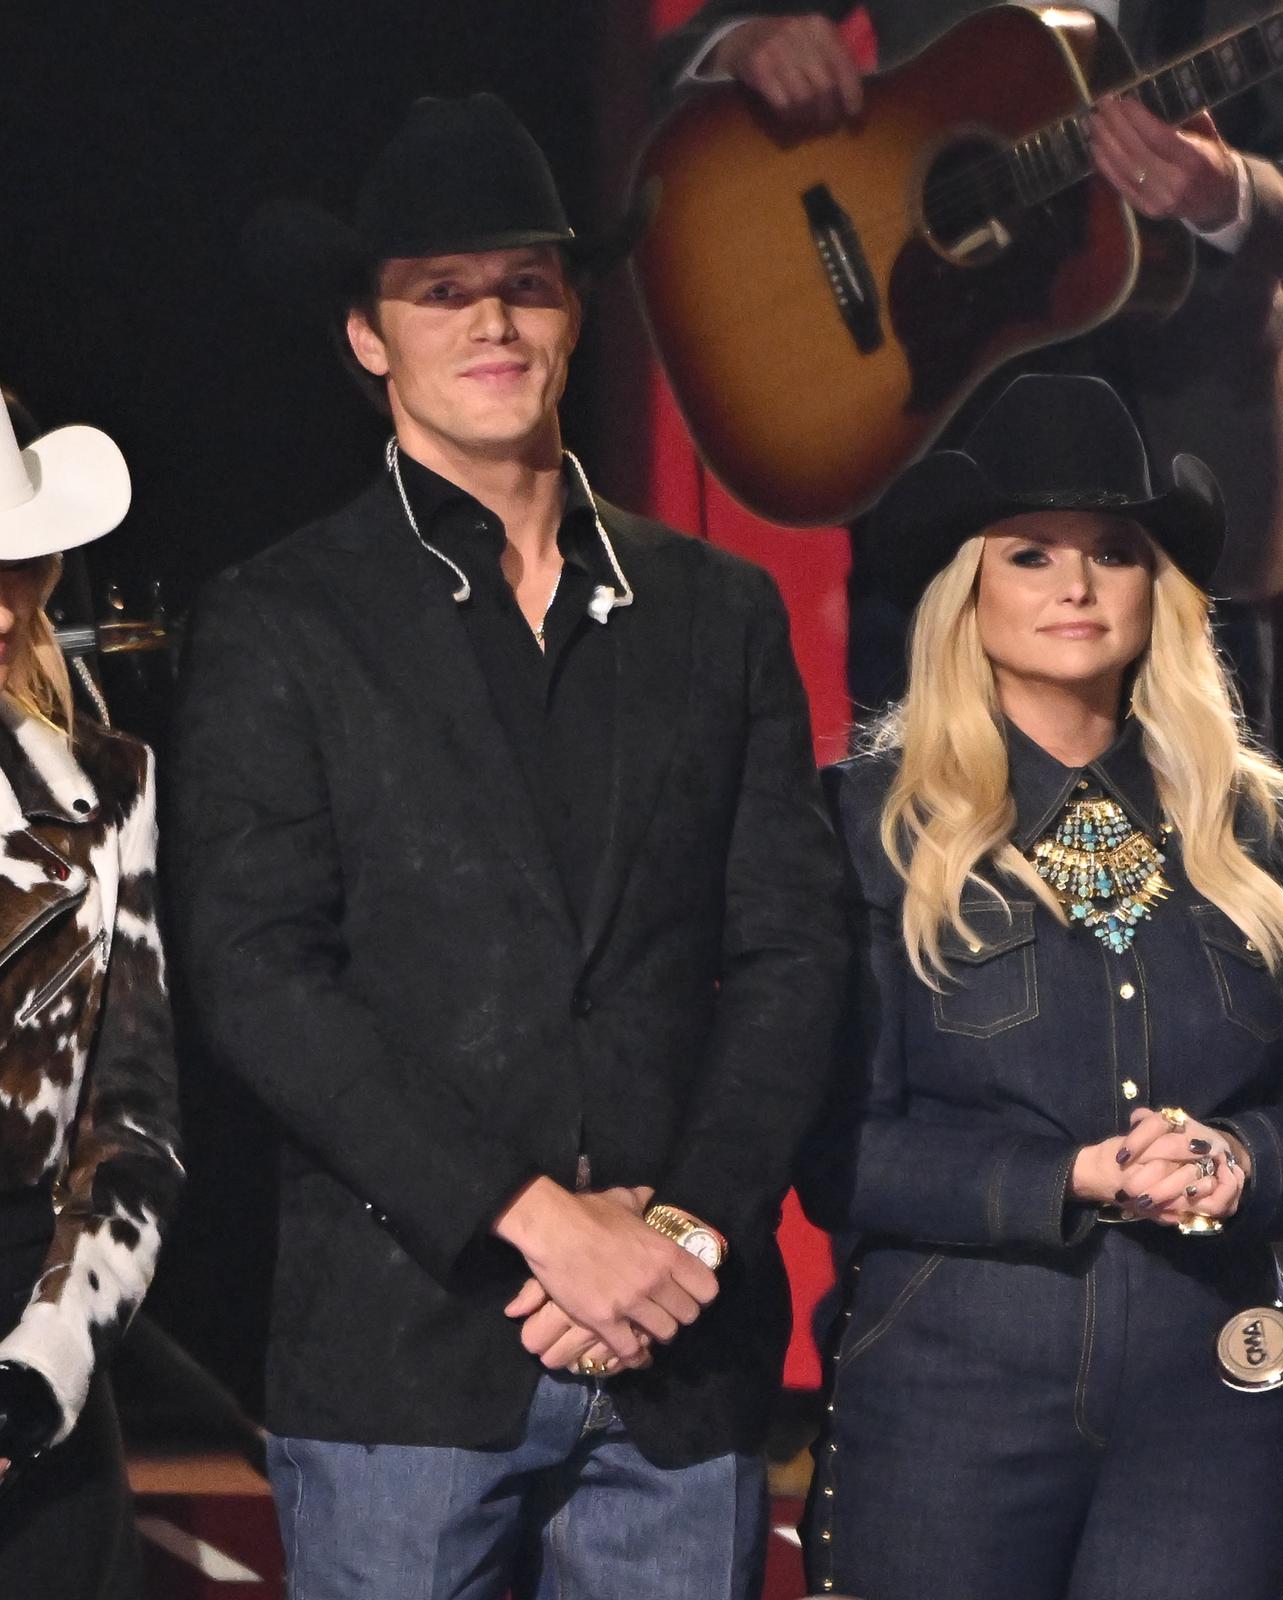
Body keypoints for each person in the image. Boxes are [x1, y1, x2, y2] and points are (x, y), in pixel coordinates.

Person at [170, 95, 847, 1597]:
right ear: (368, 335)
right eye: (440, 289)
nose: (490, 319)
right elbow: (256, 974)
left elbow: (792, 952)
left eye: (525, 283)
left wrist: (679, 1235)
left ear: (578, 310)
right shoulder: (286, 618)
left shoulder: (714, 610)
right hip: (408, 1360)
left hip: (680, 1353)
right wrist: (536, 1222)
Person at [805, 372, 1283, 1598]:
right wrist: (1070, 1177)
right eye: (1030, 553)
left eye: (1113, 552)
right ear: (970, 591)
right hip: (948, 1383)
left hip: (1211, 1388)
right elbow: (830, 1152)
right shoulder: (868, 826)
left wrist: (1236, 1160)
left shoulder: (1250, 826)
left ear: (1153, 591)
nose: (1074, 585)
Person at [656, 0, 1283, 737]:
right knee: (920, 843)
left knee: (1202, 843)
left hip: (1184, 486)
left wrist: (1229, 192)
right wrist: (743, 41)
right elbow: (683, 51)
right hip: (937, 476)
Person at [0, 391, 177, 1599]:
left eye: (13, 565)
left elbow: (134, 1130)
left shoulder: (103, 791)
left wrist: (36, 1374)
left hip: (33, 1366)